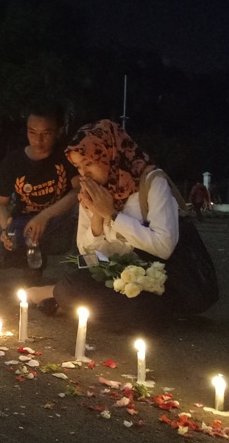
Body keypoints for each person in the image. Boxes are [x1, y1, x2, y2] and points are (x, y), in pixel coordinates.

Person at [28, 120, 181, 331]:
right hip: (114, 281)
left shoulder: (152, 183)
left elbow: (164, 247)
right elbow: (87, 254)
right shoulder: (91, 192)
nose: (84, 174)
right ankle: (66, 300)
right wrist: (97, 219)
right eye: (79, 167)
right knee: (70, 288)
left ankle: (63, 301)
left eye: (88, 163)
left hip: (157, 283)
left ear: (110, 153)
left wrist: (111, 215)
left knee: (143, 313)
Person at [0, 106, 79, 281]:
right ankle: (31, 260)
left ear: (58, 132)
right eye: (32, 132)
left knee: (82, 207)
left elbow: (78, 190)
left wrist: (45, 216)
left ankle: (78, 271)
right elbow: (0, 204)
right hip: (23, 223)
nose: (38, 140)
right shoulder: (14, 161)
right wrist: (5, 228)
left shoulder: (66, 157)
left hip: (58, 221)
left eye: (46, 133)